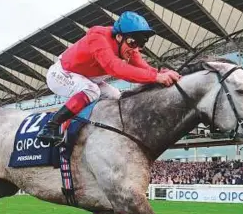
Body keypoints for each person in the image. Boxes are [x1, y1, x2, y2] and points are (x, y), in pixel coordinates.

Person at [36, 11, 181, 145]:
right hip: (61, 74)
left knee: (116, 96)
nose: (136, 49)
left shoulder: (128, 45)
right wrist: (157, 77)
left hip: (86, 78)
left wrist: (165, 74)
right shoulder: (98, 38)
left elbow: (146, 69)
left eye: (141, 44)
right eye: (132, 43)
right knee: (92, 90)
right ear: (118, 37)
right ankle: (50, 127)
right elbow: (116, 69)